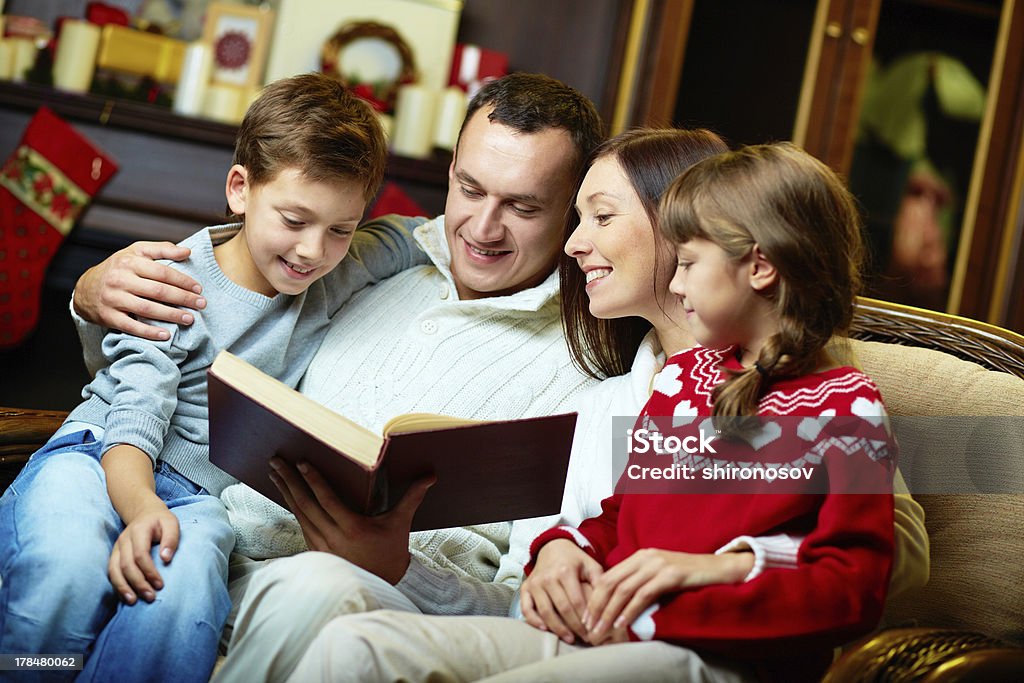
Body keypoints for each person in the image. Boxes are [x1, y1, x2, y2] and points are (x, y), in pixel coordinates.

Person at [70, 102, 927, 681]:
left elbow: (877, 554)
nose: (483, 228)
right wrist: (94, 290)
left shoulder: (785, 378)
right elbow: (225, 311)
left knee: (319, 596)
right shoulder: (371, 261)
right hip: (219, 521)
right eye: (467, 191)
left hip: (617, 634)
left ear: (692, 235)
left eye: (566, 213)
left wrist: (722, 554)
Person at [283, 140, 899, 683]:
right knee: (356, 645)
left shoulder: (843, 405)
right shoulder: (679, 384)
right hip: (604, 632)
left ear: (757, 265)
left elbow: (857, 579)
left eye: (687, 263)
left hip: (701, 653)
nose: (677, 285)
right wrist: (562, 546)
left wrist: (712, 573)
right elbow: (617, 517)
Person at [0, 72, 424, 682]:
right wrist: (142, 505)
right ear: (240, 189)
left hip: (202, 499)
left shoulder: (336, 270)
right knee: (65, 569)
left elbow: (414, 237)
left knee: (185, 594)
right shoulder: (171, 282)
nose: (312, 250)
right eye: (295, 219)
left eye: (340, 228)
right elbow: (134, 417)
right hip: (103, 457)